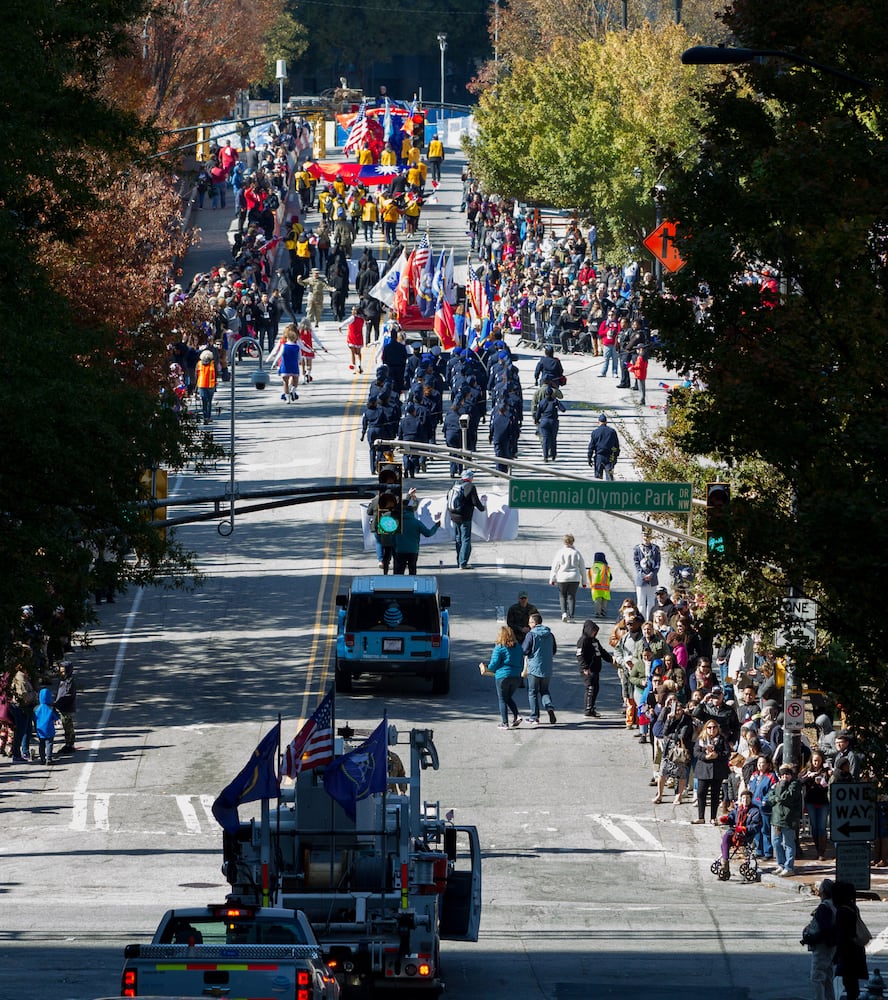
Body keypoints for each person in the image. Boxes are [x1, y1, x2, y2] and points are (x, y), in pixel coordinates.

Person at [479, 626, 525, 729]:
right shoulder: (518, 647)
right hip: (516, 677)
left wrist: (485, 667)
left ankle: (505, 723)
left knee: (502, 699)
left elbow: (493, 665)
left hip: (502, 677)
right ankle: (517, 716)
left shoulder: (499, 648)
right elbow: (522, 662)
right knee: (508, 697)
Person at [832, 880, 869, 1000]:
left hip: (848, 953)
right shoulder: (853, 907)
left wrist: (836, 955)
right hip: (856, 950)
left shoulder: (842, 912)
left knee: (849, 984)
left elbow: (842, 935)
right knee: (852, 984)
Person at [801, 878, 837, 1000]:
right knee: (827, 978)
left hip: (822, 947)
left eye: (820, 889)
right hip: (830, 946)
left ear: (824, 891)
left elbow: (824, 929)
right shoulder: (833, 905)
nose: (819, 891)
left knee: (817, 978)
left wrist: (811, 938)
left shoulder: (824, 907)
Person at [653, 698, 695, 804]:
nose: (677, 712)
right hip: (669, 750)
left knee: (681, 774)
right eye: (675, 710)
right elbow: (664, 732)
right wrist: (668, 720)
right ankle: (659, 795)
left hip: (680, 750)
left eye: (679, 709)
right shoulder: (670, 719)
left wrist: (671, 735)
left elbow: (682, 735)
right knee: (662, 772)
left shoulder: (686, 720)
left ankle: (679, 796)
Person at [715, 788, 762, 878]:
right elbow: (732, 817)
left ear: (750, 799)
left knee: (732, 838)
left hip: (746, 834)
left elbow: (756, 826)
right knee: (725, 838)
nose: (745, 800)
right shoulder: (738, 809)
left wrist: (744, 828)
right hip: (736, 831)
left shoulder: (755, 811)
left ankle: (725, 864)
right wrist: (726, 819)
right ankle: (725, 864)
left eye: (747, 798)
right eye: (743, 798)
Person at [767, 763, 804, 876]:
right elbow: (770, 797)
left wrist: (781, 789)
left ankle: (789, 867)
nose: (785, 777)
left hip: (789, 819)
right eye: (783, 774)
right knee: (776, 843)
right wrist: (777, 797)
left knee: (788, 843)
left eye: (787, 774)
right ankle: (781, 864)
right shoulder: (777, 784)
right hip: (776, 818)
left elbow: (787, 797)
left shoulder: (795, 784)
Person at [691, 719, 730, 824]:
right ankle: (701, 817)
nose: (712, 729)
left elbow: (727, 753)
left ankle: (713, 817)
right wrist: (706, 756)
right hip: (703, 769)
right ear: (706, 729)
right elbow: (696, 753)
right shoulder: (701, 739)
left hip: (717, 771)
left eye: (714, 727)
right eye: (709, 727)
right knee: (701, 793)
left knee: (715, 794)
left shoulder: (722, 739)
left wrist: (717, 755)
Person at [522, 613, 557, 727]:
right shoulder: (550, 634)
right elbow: (554, 650)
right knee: (544, 690)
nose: (528, 624)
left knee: (532, 692)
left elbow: (525, 650)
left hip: (534, 667)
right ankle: (549, 706)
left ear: (534, 623)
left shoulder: (531, 635)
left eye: (530, 622)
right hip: (547, 667)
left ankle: (534, 716)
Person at [448, 469, 485, 570]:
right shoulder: (471, 487)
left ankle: (459, 561)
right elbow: (475, 501)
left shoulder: (455, 485)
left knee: (458, 538)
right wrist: (483, 508)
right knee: (466, 539)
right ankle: (463, 563)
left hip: (454, 516)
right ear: (470, 478)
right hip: (465, 517)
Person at [575, 619, 612, 717]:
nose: (594, 633)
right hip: (587, 669)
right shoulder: (583, 641)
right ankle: (588, 709)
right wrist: (585, 667)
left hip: (596, 669)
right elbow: (580, 655)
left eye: (595, 631)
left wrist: (611, 659)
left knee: (596, 688)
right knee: (590, 688)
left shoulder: (595, 641)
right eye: (592, 631)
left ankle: (592, 707)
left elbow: (602, 652)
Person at [800, 749, 832, 861]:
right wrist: (809, 777)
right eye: (814, 761)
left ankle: (821, 852)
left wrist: (824, 779)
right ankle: (818, 848)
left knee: (822, 827)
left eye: (818, 761)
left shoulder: (826, 771)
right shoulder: (807, 771)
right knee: (814, 827)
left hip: (823, 802)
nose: (816, 763)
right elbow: (800, 781)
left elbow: (829, 784)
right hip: (811, 801)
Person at [548, 533, 587, 623]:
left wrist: (552, 578)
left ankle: (564, 613)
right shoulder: (577, 553)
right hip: (574, 577)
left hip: (562, 577)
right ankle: (572, 616)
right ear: (573, 541)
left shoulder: (560, 552)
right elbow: (582, 568)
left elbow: (555, 566)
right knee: (571, 597)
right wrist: (584, 581)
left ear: (564, 542)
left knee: (562, 595)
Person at [393, 505, 441, 575]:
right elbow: (428, 533)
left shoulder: (397, 523)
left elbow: (392, 537)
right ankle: (412, 584)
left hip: (400, 550)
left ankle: (399, 584)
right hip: (413, 550)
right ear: (412, 513)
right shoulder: (417, 523)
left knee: (399, 571)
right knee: (412, 570)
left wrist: (395, 546)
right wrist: (436, 526)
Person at [632, 529, 661, 621]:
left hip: (652, 580)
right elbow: (636, 563)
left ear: (651, 537)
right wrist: (642, 575)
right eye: (644, 536)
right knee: (641, 603)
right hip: (641, 580)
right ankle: (642, 621)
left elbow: (657, 563)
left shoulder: (655, 549)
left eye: (648, 536)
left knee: (651, 602)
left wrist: (652, 574)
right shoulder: (637, 549)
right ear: (642, 536)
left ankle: (650, 621)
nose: (646, 538)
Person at [587, 413, 619, 480]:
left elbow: (591, 446)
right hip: (610, 457)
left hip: (599, 457)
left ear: (598, 422)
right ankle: (609, 490)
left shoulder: (595, 432)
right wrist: (615, 457)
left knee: (598, 478)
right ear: (606, 422)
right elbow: (616, 446)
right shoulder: (612, 432)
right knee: (609, 478)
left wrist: (589, 458)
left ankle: (598, 490)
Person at [54, 660, 77, 754]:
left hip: (67, 707)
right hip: (62, 707)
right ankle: (68, 743)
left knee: (68, 726)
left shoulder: (69, 681)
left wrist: (58, 703)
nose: (61, 673)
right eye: (60, 671)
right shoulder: (63, 680)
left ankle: (70, 744)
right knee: (65, 725)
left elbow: (67, 695)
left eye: (63, 671)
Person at [33, 687, 60, 765]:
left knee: (41, 744)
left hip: (40, 729)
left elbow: (34, 718)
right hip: (49, 729)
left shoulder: (36, 708)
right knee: (49, 743)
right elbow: (56, 718)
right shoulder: (51, 708)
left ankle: (42, 759)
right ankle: (49, 759)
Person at [587, 551, 612, 619]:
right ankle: (603, 611)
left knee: (597, 601)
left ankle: (597, 612)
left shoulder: (592, 567)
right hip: (604, 588)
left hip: (595, 587)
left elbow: (590, 576)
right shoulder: (605, 567)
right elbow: (610, 577)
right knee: (604, 600)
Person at [195, 349, 217, 424]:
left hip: (201, 384)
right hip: (211, 385)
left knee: (204, 402)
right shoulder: (212, 363)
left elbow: (196, 375)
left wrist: (195, 388)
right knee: (209, 402)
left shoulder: (199, 363)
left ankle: (205, 417)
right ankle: (208, 417)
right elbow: (216, 373)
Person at [342, 306, 365, 374]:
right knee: (358, 353)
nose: (351, 311)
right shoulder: (361, 319)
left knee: (353, 353)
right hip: (359, 337)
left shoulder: (352, 318)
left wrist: (340, 326)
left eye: (353, 310)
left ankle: (354, 367)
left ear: (355, 311)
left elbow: (346, 322)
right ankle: (359, 364)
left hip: (352, 337)